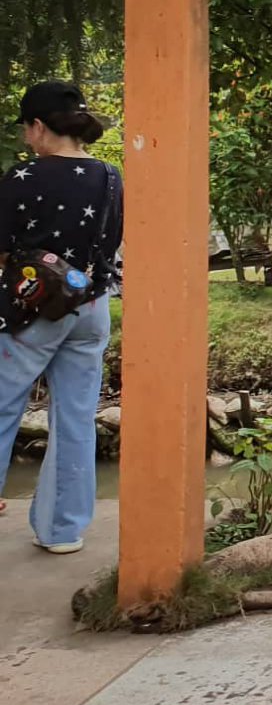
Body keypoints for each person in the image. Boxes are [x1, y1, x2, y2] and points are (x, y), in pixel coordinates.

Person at [0, 81, 122, 553]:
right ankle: (63, 530)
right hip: (90, 310)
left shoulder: (22, 179)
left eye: (26, 128)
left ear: (38, 126)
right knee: (74, 418)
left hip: (31, 314)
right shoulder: (111, 178)